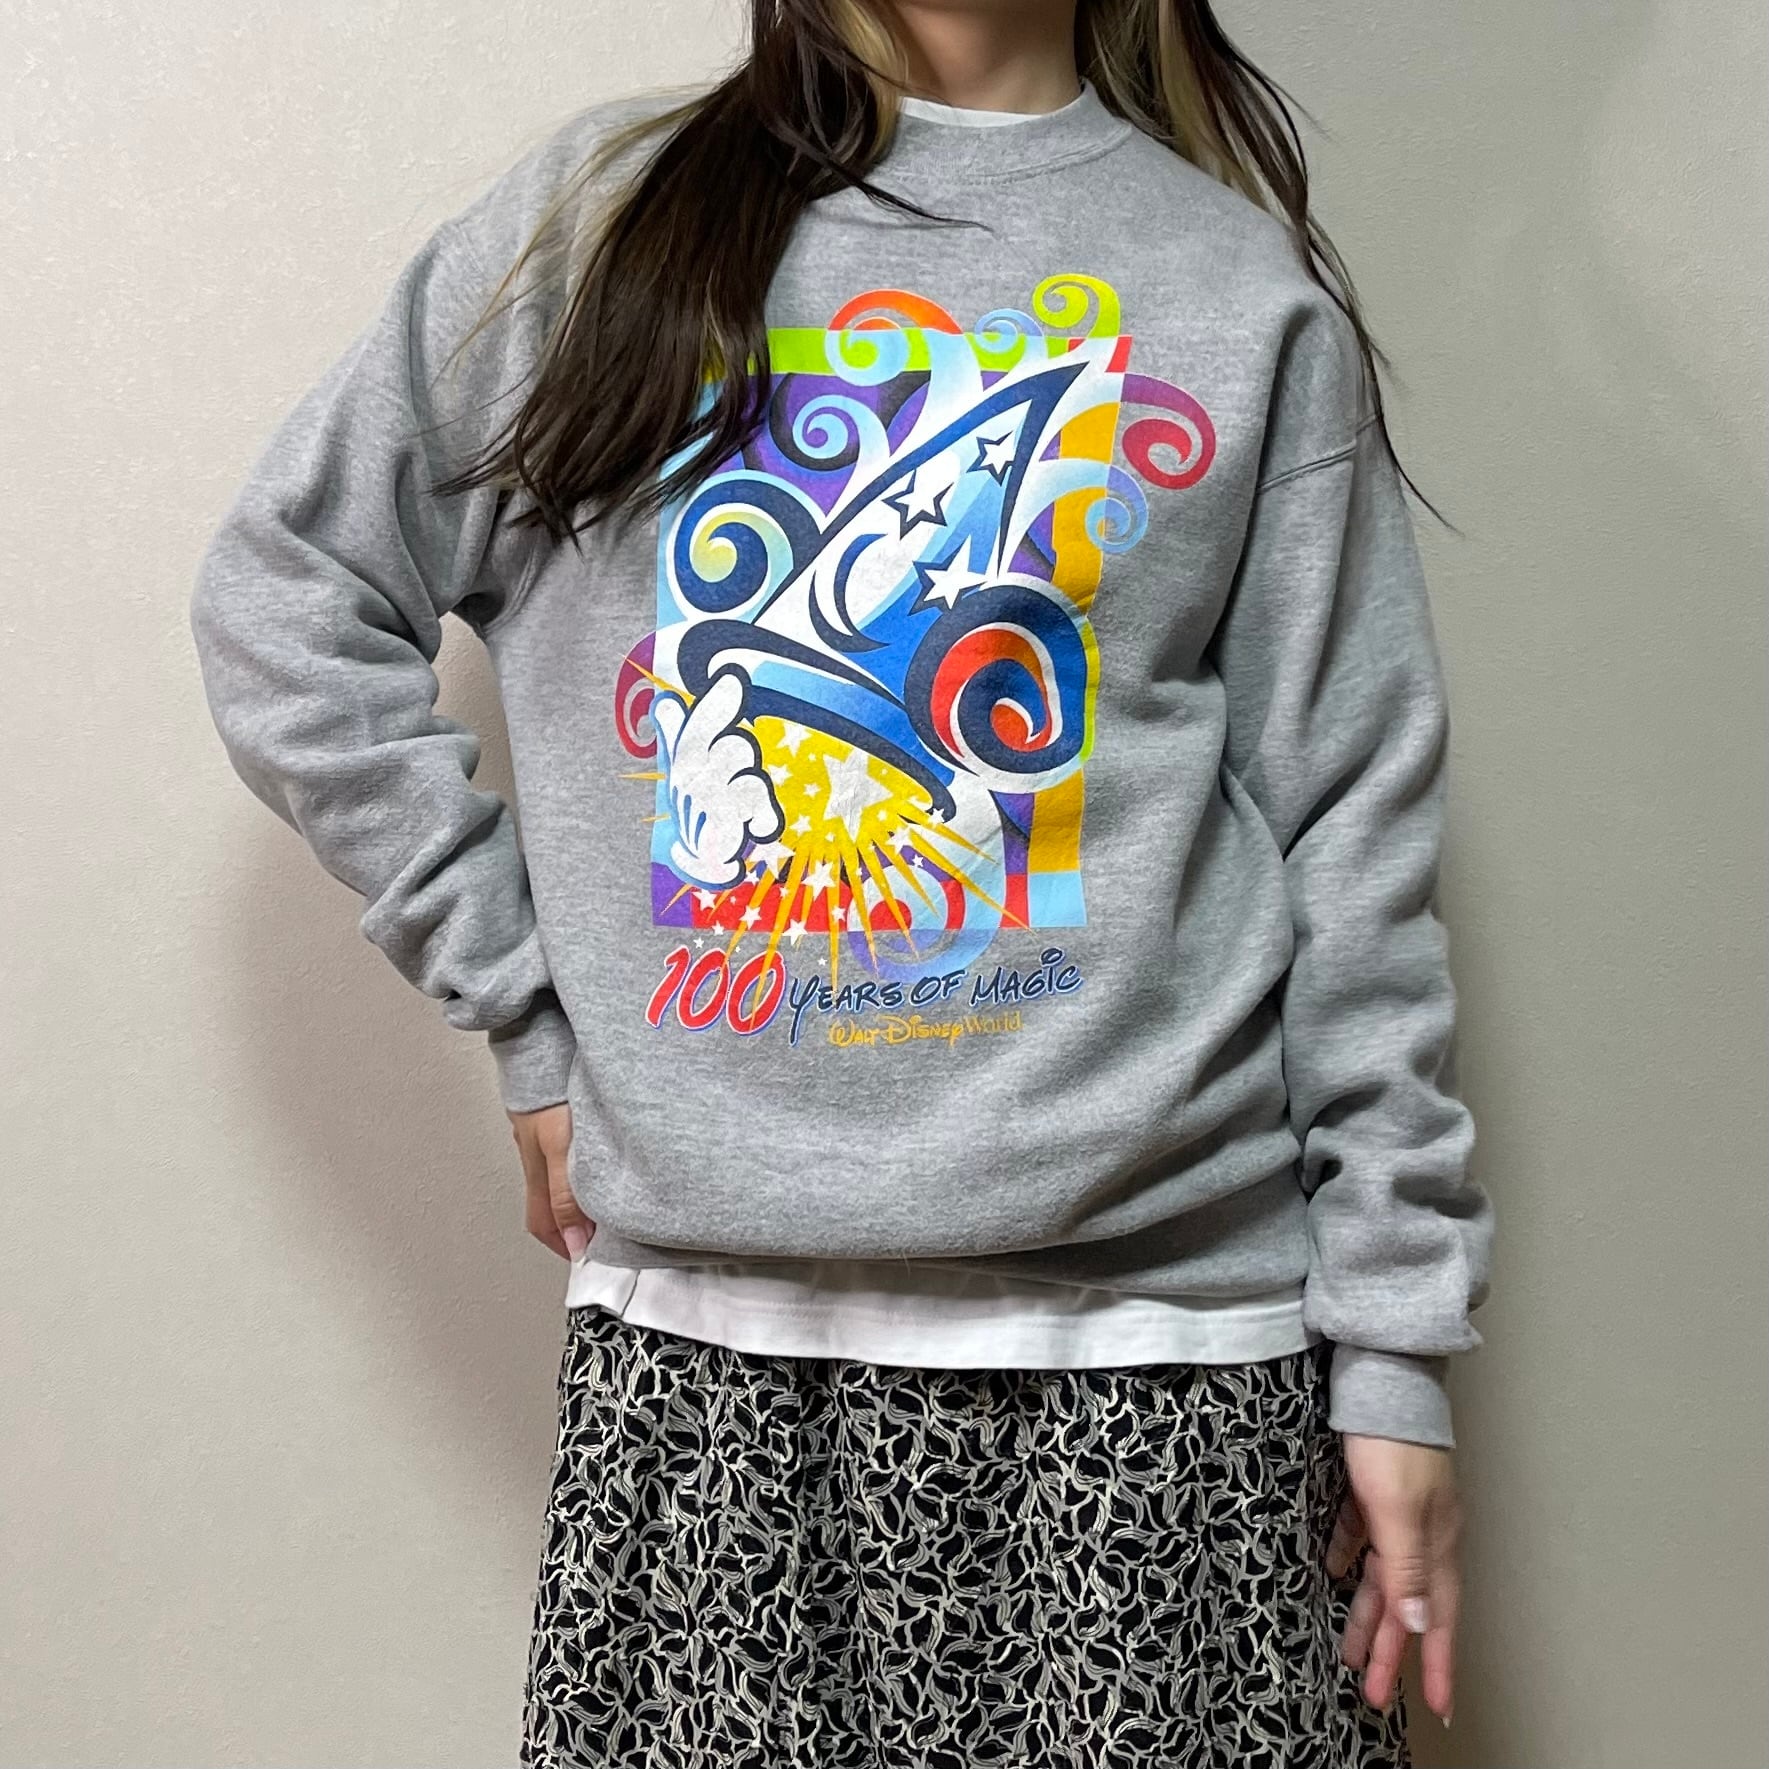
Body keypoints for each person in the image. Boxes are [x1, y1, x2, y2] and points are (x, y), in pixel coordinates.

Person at [189, 0, 1494, 1761]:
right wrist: (521, 1004)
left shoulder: (1235, 292)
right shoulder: (598, 229)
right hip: (709, 1379)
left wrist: (1395, 1344)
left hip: (1167, 1372)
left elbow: (1351, 826)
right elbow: (288, 602)